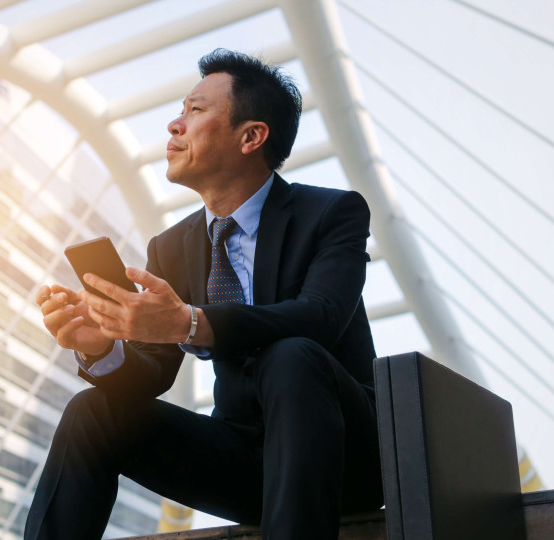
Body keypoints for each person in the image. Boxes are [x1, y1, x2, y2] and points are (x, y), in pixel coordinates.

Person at [24, 49, 382, 540]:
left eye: (195, 111)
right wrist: (102, 345)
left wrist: (191, 323)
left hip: (341, 455)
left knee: (293, 355)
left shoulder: (333, 213)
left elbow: (321, 317)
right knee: (91, 412)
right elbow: (151, 374)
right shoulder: (171, 247)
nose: (175, 125)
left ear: (251, 136)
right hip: (241, 460)